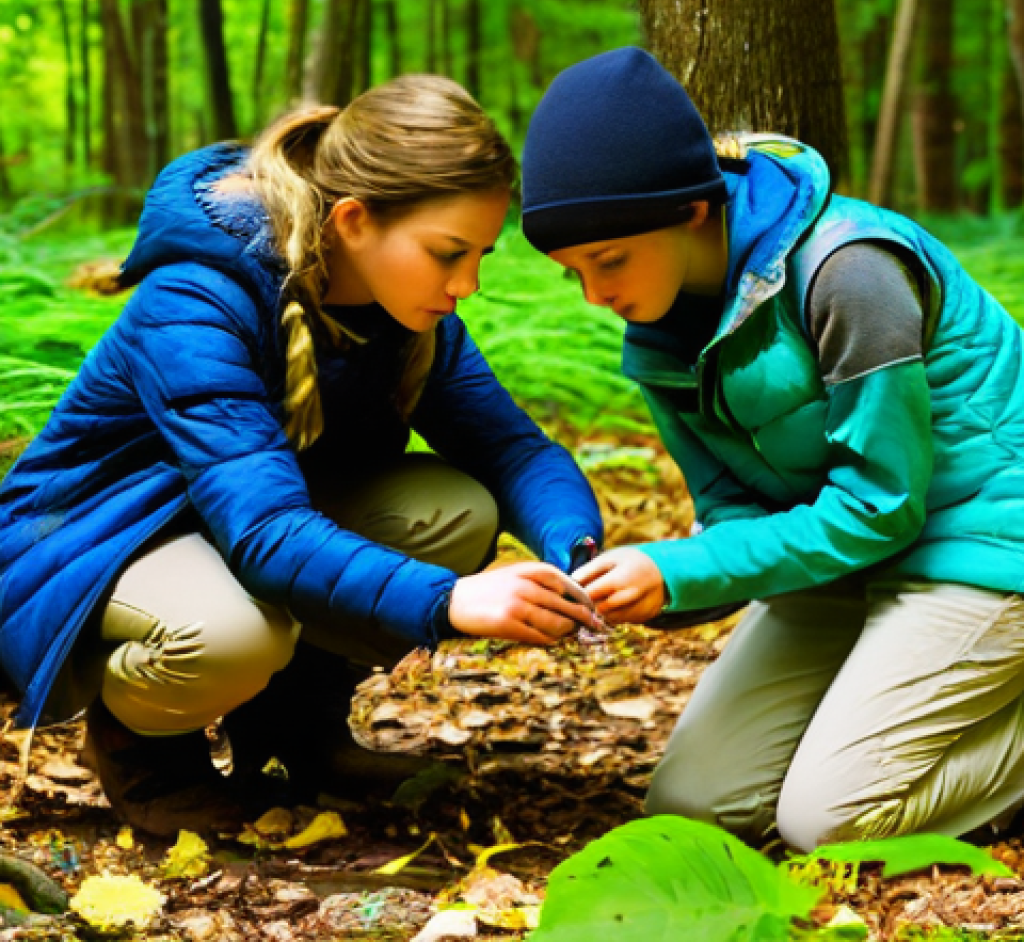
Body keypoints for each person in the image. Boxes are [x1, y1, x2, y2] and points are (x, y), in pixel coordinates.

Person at [0, 74, 603, 836]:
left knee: (453, 508)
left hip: (235, 526)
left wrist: (575, 548)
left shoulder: (408, 313)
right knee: (231, 633)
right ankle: (149, 757)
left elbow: (511, 448)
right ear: (353, 221)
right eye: (448, 253)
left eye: (481, 254)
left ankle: (296, 730)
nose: (469, 284)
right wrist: (449, 602)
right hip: (98, 539)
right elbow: (264, 531)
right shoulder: (198, 296)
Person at [520, 46, 1024, 853]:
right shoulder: (656, 338)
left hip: (984, 546)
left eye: (608, 261)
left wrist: (679, 569)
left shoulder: (851, 271)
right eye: (571, 272)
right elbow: (734, 513)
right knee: (696, 807)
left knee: (829, 821)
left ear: (691, 208)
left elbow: (882, 505)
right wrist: (656, 588)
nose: (597, 296)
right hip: (849, 567)